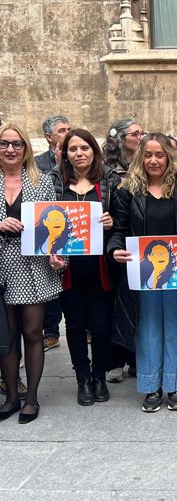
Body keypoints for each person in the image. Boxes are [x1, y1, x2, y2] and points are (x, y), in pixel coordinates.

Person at [109, 133, 177, 412]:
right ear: (139, 157)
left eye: (160, 155)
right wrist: (115, 250)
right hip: (141, 272)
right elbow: (119, 231)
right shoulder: (126, 191)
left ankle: (174, 384)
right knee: (147, 328)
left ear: (169, 157)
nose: (154, 160)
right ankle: (150, 386)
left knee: (176, 327)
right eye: (148, 154)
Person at [49, 128, 120, 406]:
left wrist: (111, 223)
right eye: (73, 149)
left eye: (84, 148)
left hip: (101, 266)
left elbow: (121, 219)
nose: (79, 154)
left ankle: (99, 376)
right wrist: (51, 253)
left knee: (102, 326)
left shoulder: (110, 181)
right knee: (75, 325)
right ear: (64, 154)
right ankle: (83, 379)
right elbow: (44, 223)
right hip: (68, 269)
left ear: (94, 151)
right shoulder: (54, 182)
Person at [0, 123, 64, 424]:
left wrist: (56, 253)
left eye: (17, 144)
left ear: (26, 148)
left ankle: (33, 398)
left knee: (33, 333)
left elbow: (53, 225)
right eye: (4, 144)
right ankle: (12, 396)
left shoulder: (42, 181)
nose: (10, 149)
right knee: (7, 336)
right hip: (2, 264)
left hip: (33, 267)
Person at [103, 119, 144, 382]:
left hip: (141, 244)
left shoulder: (146, 164)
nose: (141, 137)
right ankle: (114, 359)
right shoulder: (107, 170)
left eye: (143, 133)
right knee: (113, 304)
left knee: (138, 304)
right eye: (136, 133)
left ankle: (136, 358)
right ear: (120, 139)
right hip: (113, 242)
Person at [36, 115, 70, 351]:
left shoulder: (80, 156)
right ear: (49, 136)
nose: (66, 133)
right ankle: (50, 331)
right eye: (61, 130)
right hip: (49, 229)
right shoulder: (38, 163)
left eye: (69, 129)